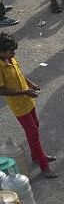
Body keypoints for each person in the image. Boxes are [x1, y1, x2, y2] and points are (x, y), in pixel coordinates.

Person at [0, 33, 55, 177]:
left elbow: (20, 74)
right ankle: (44, 167)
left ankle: (37, 156)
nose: (13, 53)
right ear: (2, 51)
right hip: (19, 106)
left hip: (28, 100)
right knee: (33, 134)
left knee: (34, 128)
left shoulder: (10, 59)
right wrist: (24, 91)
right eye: (10, 51)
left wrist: (31, 84)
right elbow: (2, 90)